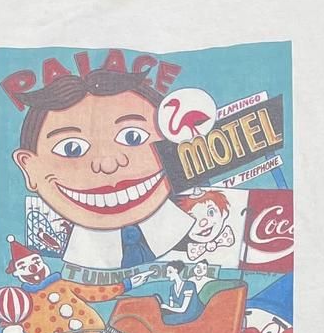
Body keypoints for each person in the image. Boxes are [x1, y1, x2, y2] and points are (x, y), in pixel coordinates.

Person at [13, 71, 193, 274]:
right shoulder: (51, 261)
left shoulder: (207, 233)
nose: (108, 164)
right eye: (71, 149)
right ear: (30, 168)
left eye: (133, 137)